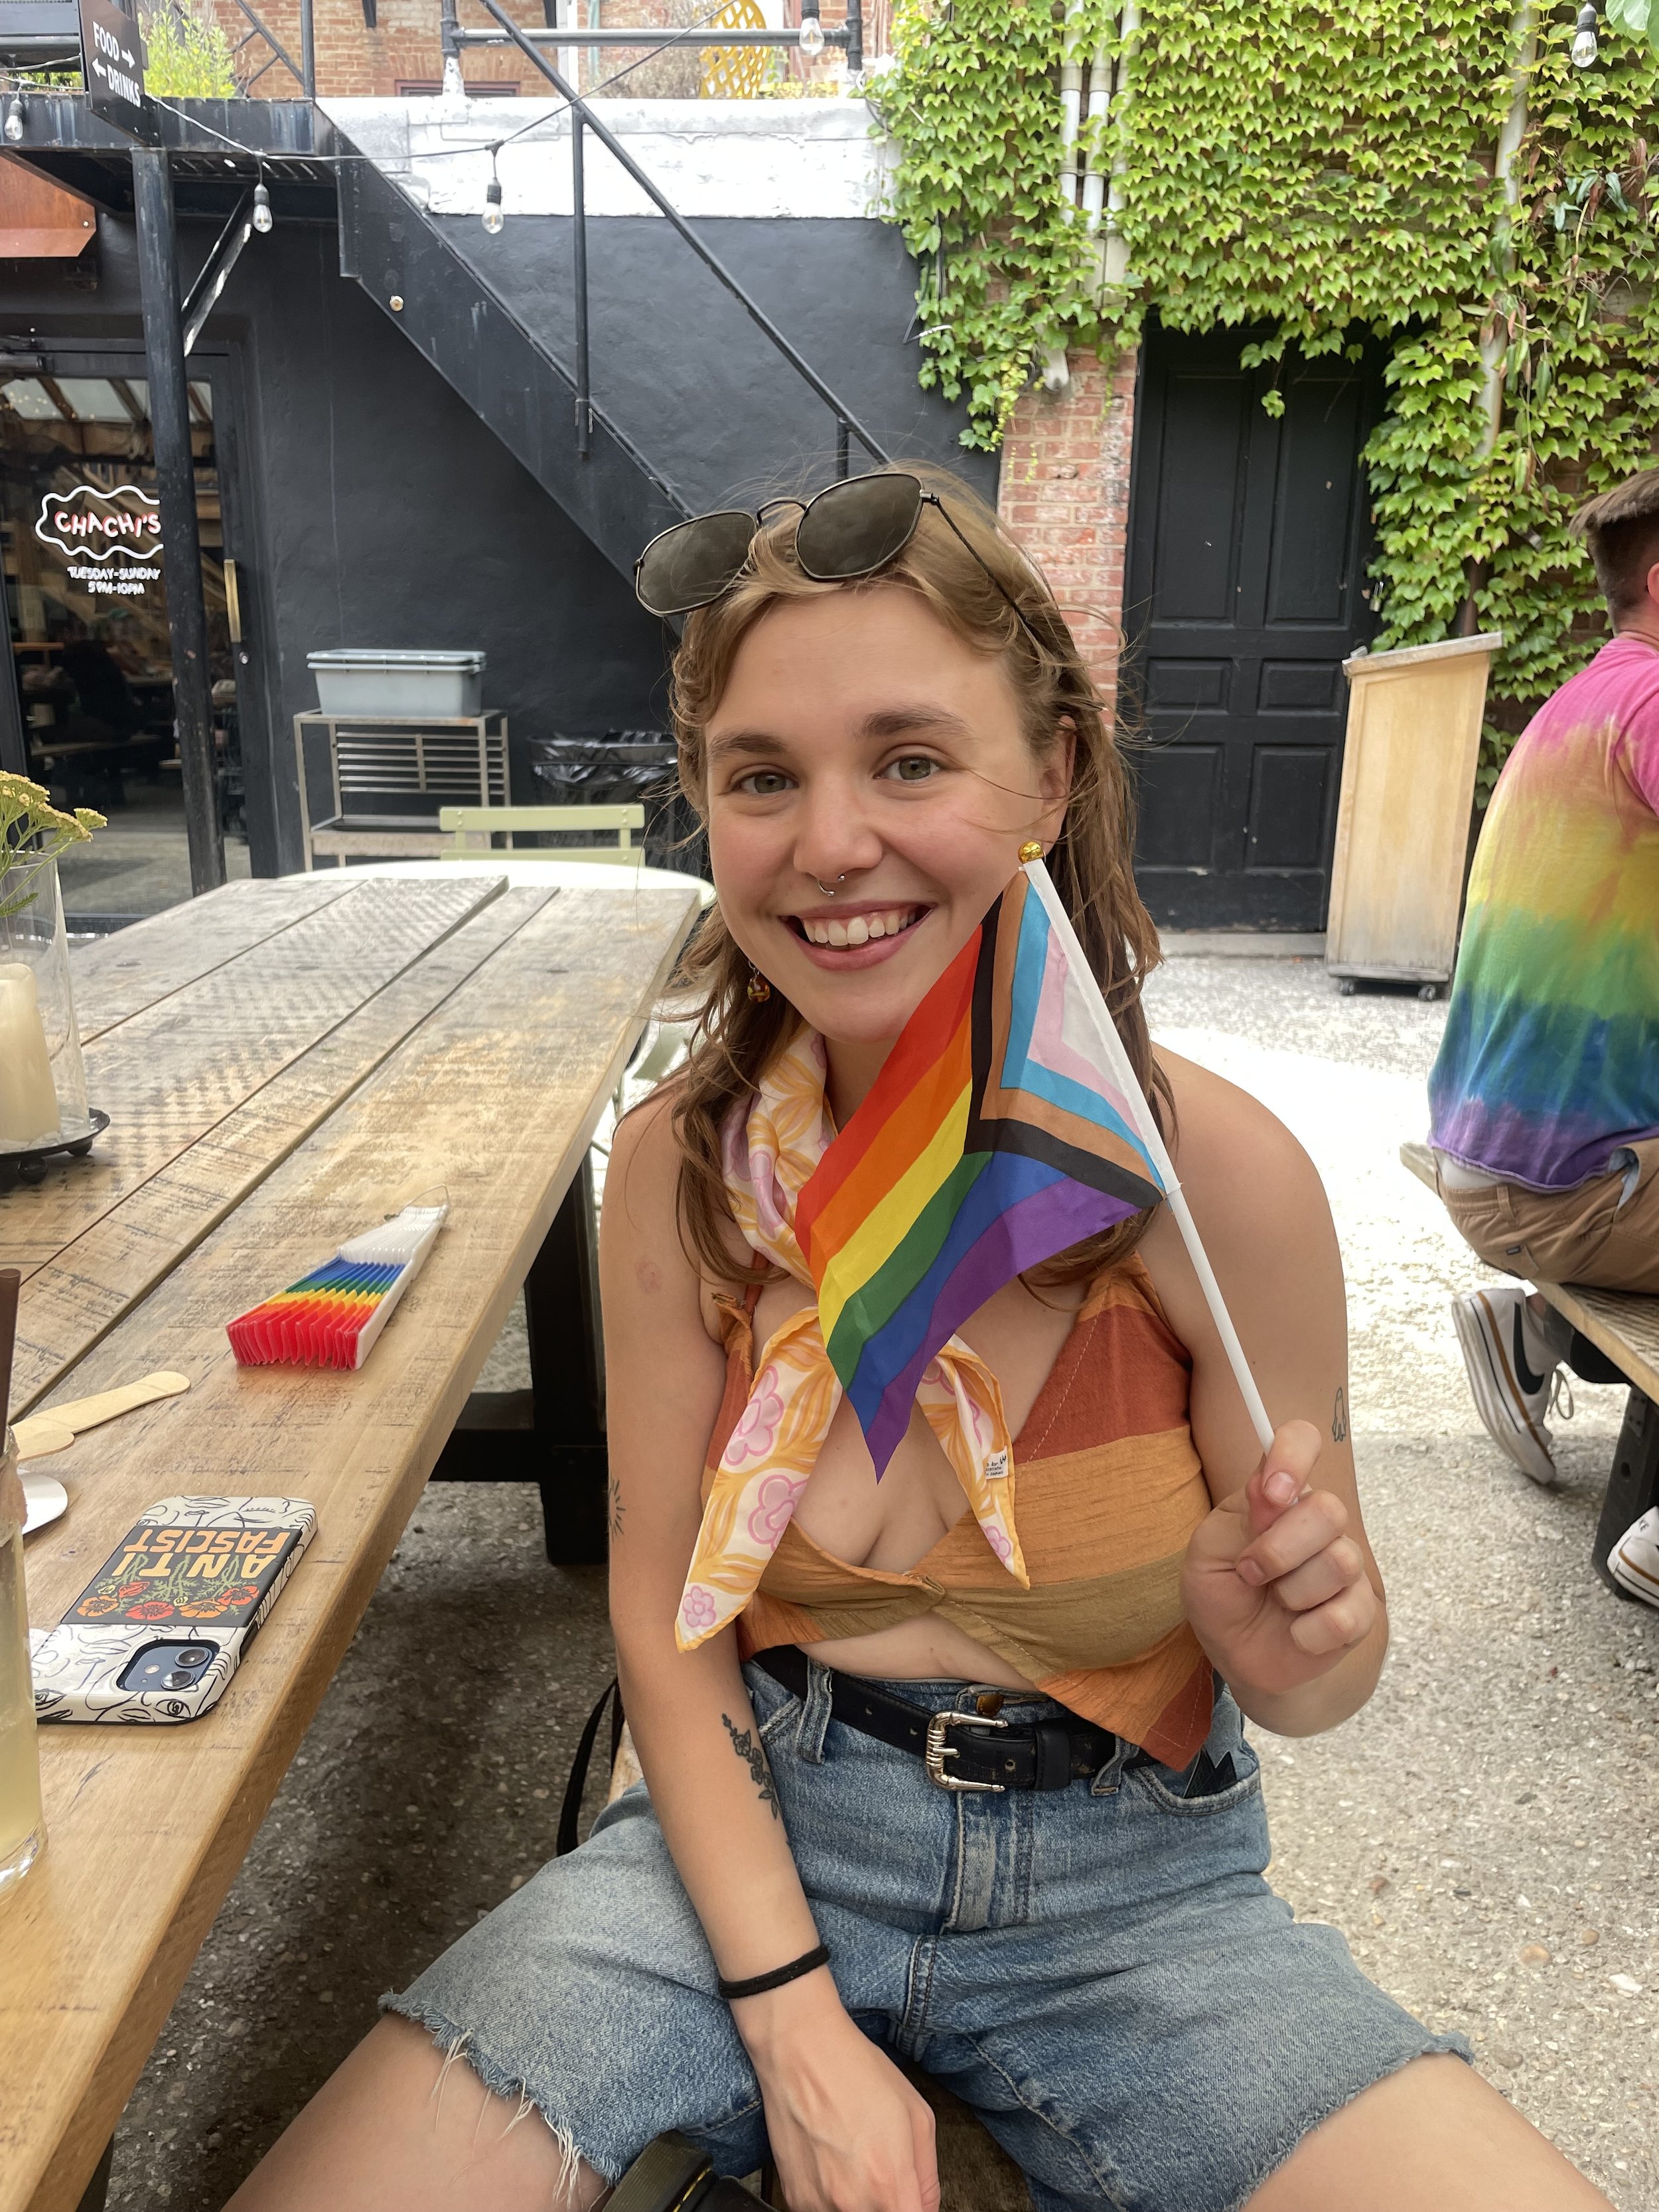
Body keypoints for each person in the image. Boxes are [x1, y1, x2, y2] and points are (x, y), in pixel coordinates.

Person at [227, 467, 1609, 2212]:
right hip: (742, 1849)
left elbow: (1309, 1685)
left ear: (1051, 773)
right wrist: (794, 2022)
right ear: (705, 808)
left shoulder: (1207, 1181)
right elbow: (666, 1624)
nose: (827, 842)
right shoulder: (679, 1172)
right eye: (760, 776)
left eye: (908, 757)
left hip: (1137, 1897)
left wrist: (1301, 1629)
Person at [1429, 471, 1659, 1543]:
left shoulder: (1591, 698)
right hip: (1560, 1194)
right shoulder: (1653, 704)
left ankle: (1534, 1340)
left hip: (1503, 1167)